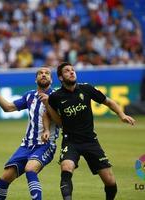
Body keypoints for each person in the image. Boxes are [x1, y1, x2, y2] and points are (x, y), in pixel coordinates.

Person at [39, 62, 135, 200]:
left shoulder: (86, 89)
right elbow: (47, 115)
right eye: (67, 71)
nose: (72, 72)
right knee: (66, 168)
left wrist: (122, 115)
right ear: (60, 77)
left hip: (90, 141)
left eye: (73, 70)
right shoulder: (56, 97)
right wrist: (46, 129)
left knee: (110, 181)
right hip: (70, 141)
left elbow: (109, 102)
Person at [0, 67, 60, 200]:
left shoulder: (57, 96)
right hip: (26, 145)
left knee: (30, 169)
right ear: (36, 79)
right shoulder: (29, 95)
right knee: (5, 178)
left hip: (45, 144)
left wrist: (47, 128)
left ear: (51, 79)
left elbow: (60, 120)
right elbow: (8, 108)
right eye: (40, 73)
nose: (44, 75)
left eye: (47, 73)